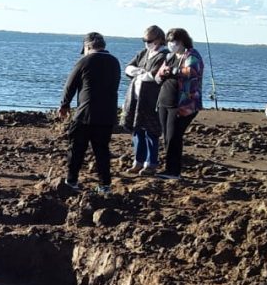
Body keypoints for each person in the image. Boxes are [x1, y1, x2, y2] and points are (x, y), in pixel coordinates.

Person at [58, 32, 121, 194]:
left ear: (87, 47)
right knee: (102, 151)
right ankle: (105, 185)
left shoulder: (85, 61)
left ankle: (72, 181)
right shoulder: (115, 62)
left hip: (85, 113)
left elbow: (70, 85)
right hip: (107, 114)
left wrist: (64, 105)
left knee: (76, 149)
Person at [155, 27, 204, 180]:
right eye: (169, 41)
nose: (171, 44)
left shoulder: (191, 55)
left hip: (182, 104)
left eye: (174, 41)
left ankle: (174, 171)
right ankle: (169, 168)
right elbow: (158, 76)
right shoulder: (169, 56)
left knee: (174, 136)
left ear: (182, 41)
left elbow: (192, 71)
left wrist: (174, 71)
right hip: (164, 101)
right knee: (167, 136)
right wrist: (162, 73)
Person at [122, 26, 169, 174]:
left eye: (149, 40)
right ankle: (138, 161)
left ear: (159, 39)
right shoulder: (144, 53)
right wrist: (138, 71)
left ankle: (151, 163)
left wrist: (140, 74)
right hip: (135, 97)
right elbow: (128, 68)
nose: (146, 43)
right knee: (137, 130)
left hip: (151, 99)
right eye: (144, 40)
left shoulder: (164, 55)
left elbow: (153, 76)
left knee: (150, 131)